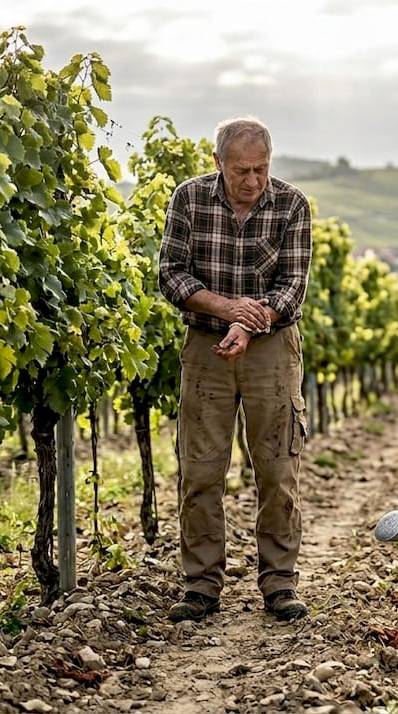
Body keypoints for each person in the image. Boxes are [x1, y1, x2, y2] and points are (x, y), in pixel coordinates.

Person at [158, 116, 313, 622]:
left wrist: (251, 323)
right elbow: (171, 274)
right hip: (205, 345)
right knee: (201, 470)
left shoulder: (292, 205)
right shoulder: (189, 199)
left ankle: (279, 583)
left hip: (272, 346)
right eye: (241, 170)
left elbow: (292, 287)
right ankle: (201, 585)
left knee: (276, 467)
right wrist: (227, 310)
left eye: (261, 169)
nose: (252, 181)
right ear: (217, 163)